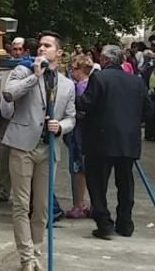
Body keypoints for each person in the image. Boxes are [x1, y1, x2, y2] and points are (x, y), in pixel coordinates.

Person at [2, 31, 76, 271]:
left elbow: (71, 118)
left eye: (47, 46)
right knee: (21, 205)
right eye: (40, 46)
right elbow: (9, 93)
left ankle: (36, 250)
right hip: (23, 145)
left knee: (42, 207)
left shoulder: (67, 84)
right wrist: (34, 77)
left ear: (59, 52)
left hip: (49, 147)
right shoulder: (23, 71)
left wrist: (60, 127)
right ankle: (26, 258)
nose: (41, 49)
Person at [78, 45, 153, 240]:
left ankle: (104, 222)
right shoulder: (136, 82)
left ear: (104, 60)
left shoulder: (99, 78)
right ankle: (125, 223)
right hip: (128, 140)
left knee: (97, 183)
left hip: (101, 139)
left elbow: (86, 102)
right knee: (125, 183)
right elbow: (149, 110)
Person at [0, 37, 30, 204]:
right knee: (3, 155)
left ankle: (23, 195)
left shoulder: (30, 68)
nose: (17, 52)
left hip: (23, 118)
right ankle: (2, 190)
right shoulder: (4, 68)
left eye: (20, 49)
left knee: (22, 157)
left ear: (25, 51)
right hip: (6, 118)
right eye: (15, 49)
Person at [66, 54, 94, 219]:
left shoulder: (80, 88)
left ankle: (79, 204)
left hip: (79, 133)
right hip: (84, 133)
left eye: (74, 69)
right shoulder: (91, 85)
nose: (71, 72)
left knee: (77, 169)